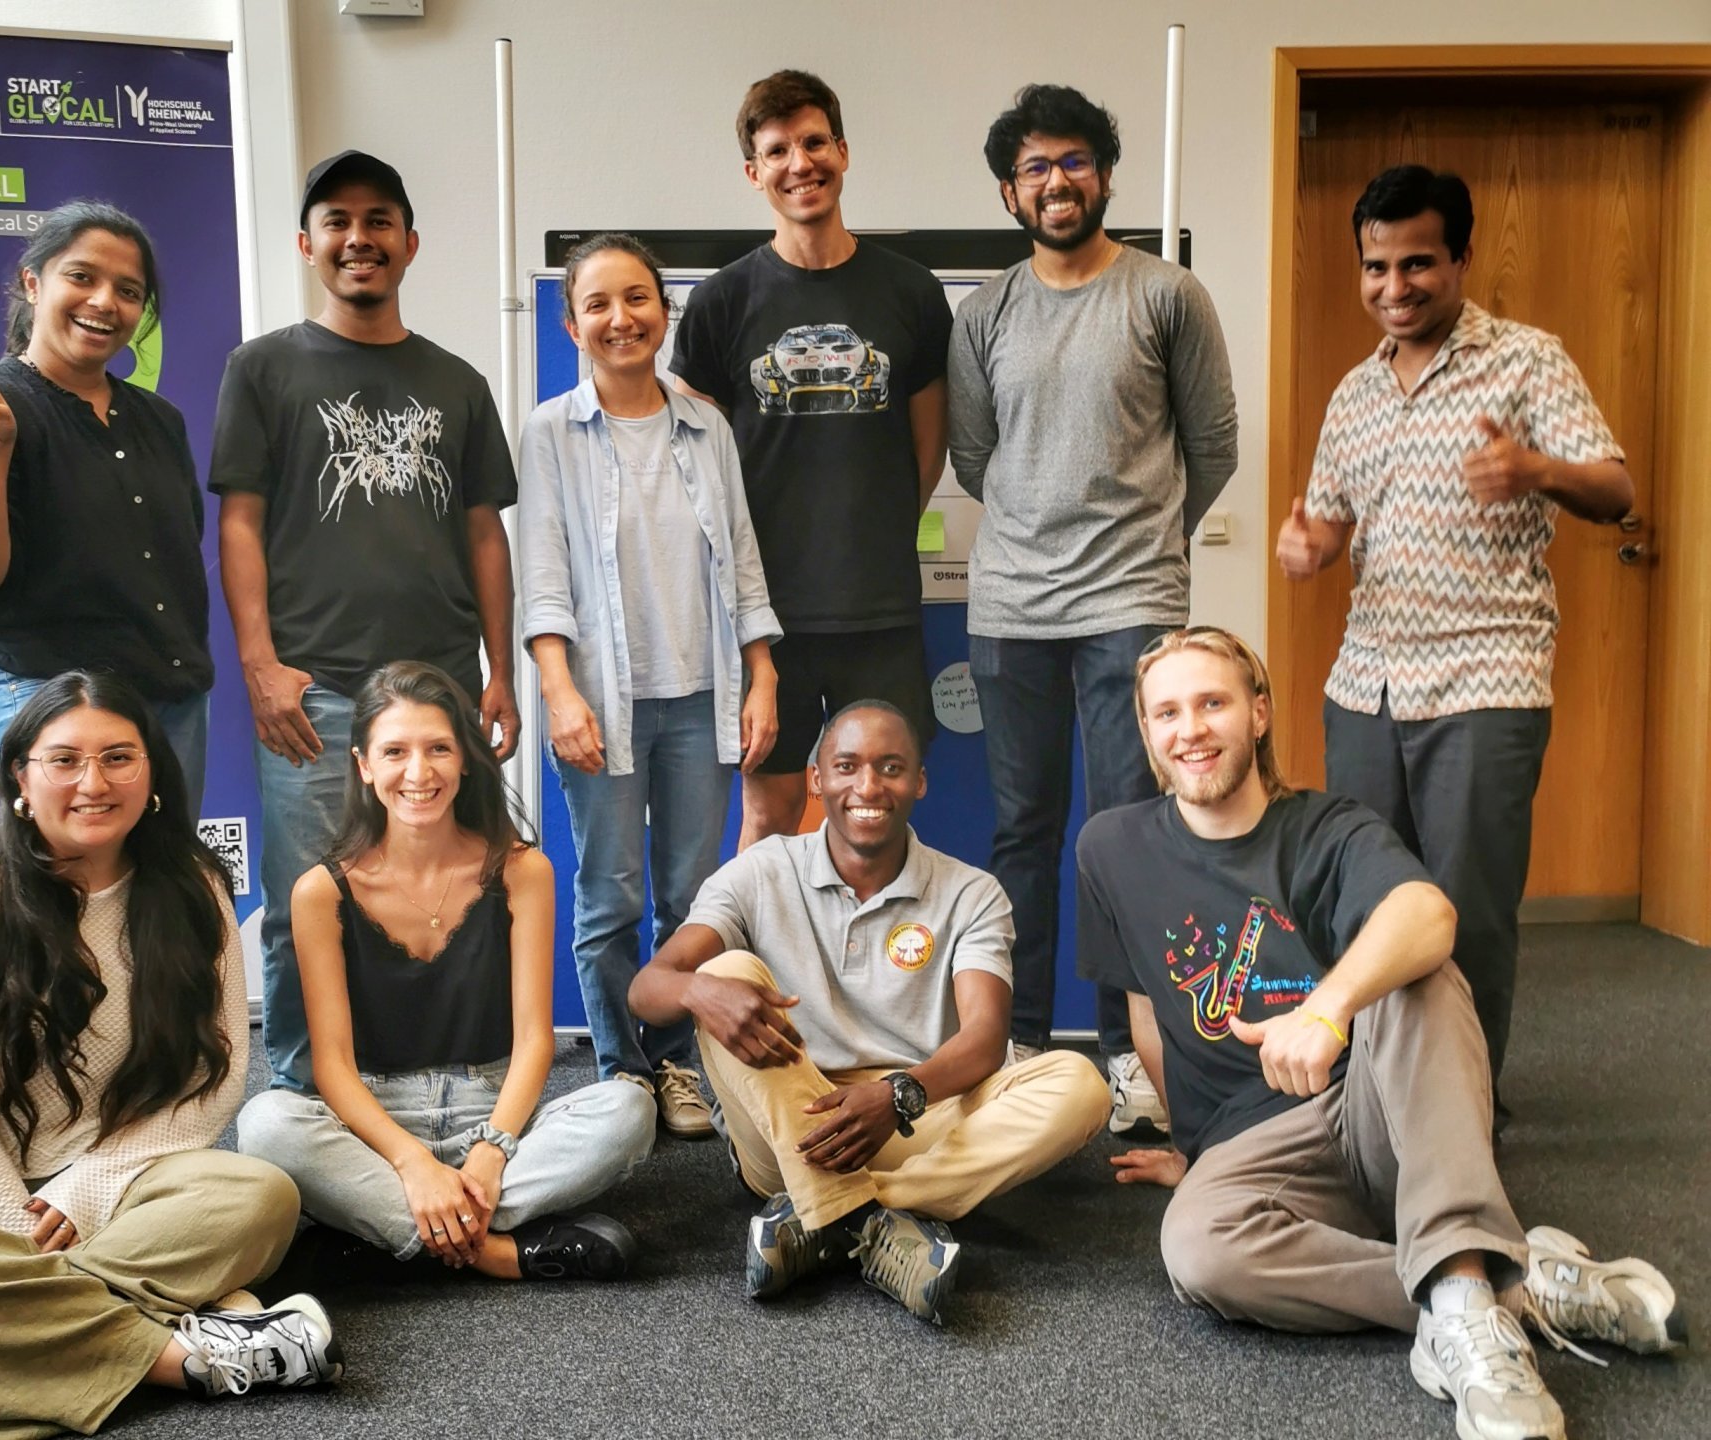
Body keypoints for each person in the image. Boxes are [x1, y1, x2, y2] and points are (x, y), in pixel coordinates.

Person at [1076, 627, 1684, 1440]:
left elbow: (1427, 914)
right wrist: (1193, 1150)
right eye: (1167, 712)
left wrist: (1328, 1009)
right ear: (1147, 732)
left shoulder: (1327, 828)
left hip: (1376, 1117)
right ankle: (1501, 1287)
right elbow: (1148, 1008)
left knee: (1417, 970)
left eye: (1213, 703)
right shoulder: (1111, 849)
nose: (1191, 730)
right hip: (1252, 1153)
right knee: (1197, 1251)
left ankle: (1468, 1306)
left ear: (1257, 714)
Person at [0, 672, 340, 1440]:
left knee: (260, 1198)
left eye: (120, 757)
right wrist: (15, 1228)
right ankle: (184, 1356)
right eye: (65, 761)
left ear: (153, 771)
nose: (94, 782)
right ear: (21, 777)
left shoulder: (192, 885)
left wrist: (87, 1190)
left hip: (118, 1166)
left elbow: (210, 1079)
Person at [1275, 165, 1633, 1102]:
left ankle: (1464, 1113)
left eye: (1418, 264)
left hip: (1486, 674)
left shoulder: (1525, 360)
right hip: (1367, 684)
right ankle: (1370, 1102)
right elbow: (1331, 516)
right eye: (1376, 267)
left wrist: (1536, 469)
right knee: (1364, 902)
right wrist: (1311, 542)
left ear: (1464, 257)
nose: (1394, 289)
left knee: (1467, 916)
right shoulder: (1354, 393)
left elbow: (1616, 488)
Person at [948, 84, 1238, 1134]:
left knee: (1125, 833)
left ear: (1104, 174)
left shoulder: (1167, 295)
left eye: (1073, 161)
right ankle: (1022, 1045)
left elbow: (1214, 447)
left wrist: (1148, 539)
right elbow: (974, 458)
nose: (1056, 181)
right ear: (1009, 191)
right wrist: (1043, 528)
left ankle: (1128, 1054)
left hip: (1133, 605)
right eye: (1035, 167)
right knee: (1023, 832)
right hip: (1013, 608)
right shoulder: (984, 313)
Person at [629, 700, 1110, 1324]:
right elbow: (648, 986)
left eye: (890, 767)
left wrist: (897, 1096)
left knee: (1081, 1085)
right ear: (816, 780)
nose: (868, 786)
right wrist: (699, 992)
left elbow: (987, 1038)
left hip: (913, 1119)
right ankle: (866, 1218)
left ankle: (831, 1217)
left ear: (919, 782)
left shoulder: (971, 892)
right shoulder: (760, 871)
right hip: (793, 1125)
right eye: (847, 766)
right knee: (720, 974)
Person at [212, 150, 521, 1093]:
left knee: (455, 895)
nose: (360, 238)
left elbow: (484, 532)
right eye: (338, 221)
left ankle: (447, 1078)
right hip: (318, 693)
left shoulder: (459, 380)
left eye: (379, 220)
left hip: (440, 694)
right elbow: (240, 523)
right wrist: (260, 664)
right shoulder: (262, 368)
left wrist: (499, 670)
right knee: (311, 901)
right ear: (308, 245)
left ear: (410, 243)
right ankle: (306, 1094)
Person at [238, 662, 655, 1286]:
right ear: (363, 766)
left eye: (438, 749)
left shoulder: (523, 870)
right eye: (395, 752)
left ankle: (392, 1236)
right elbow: (330, 1065)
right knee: (267, 1123)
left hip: (494, 1111)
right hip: (378, 1126)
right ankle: (496, 1250)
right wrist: (411, 1165)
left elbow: (535, 1041)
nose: (418, 772)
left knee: (628, 1107)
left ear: (465, 759)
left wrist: (492, 1150)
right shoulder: (319, 891)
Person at [520, 233, 783, 1137]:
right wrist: (559, 691)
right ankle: (617, 1070)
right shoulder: (551, 431)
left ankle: (673, 1064)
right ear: (571, 324)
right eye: (598, 304)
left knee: (687, 895)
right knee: (610, 898)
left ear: (663, 312)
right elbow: (543, 575)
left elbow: (743, 563)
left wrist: (761, 675)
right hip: (604, 700)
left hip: (700, 696)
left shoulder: (707, 426)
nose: (620, 318)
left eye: (637, 299)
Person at [670, 70, 953, 849]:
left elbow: (926, 452)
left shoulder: (912, 293)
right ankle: (757, 977)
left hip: (881, 608)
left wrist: (876, 524)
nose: (801, 162)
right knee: (767, 814)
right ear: (754, 172)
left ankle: (873, 974)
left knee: (880, 810)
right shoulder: (723, 302)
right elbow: (696, 465)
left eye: (814, 142)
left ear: (844, 151)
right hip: (767, 615)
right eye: (778, 149)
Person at [0, 202, 214, 808]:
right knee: (69, 889)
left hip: (172, 706)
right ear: (32, 282)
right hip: (51, 704)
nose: (105, 301)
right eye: (82, 277)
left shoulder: (160, 421)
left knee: (163, 891)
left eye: (129, 290)